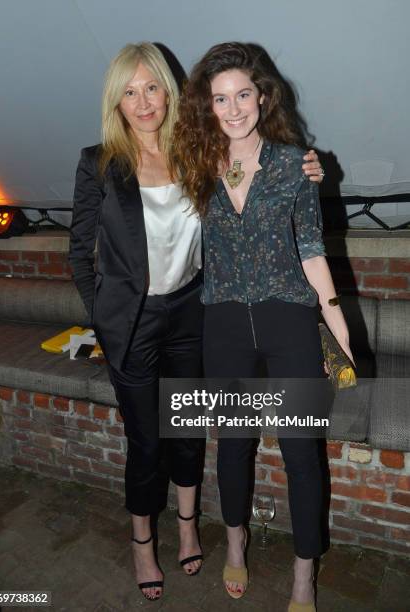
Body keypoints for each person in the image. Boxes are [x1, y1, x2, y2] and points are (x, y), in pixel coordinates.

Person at [69, 42, 324, 602]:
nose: (143, 102)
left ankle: (187, 527)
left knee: (186, 434)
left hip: (191, 314)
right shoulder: (100, 162)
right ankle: (142, 542)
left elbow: (263, 175)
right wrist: (106, 322)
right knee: (147, 441)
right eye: (129, 92)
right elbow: (78, 255)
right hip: (133, 325)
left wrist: (308, 164)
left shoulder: (195, 154)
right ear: (116, 101)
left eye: (152, 87)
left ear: (171, 92)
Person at [174, 42, 353, 611]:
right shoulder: (196, 166)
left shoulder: (294, 163)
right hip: (223, 323)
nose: (232, 109)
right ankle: (235, 543)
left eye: (242, 95)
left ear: (262, 96)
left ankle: (305, 574)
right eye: (219, 98)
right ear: (207, 105)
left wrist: (339, 328)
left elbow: (312, 251)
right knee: (232, 444)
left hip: (289, 323)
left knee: (302, 452)